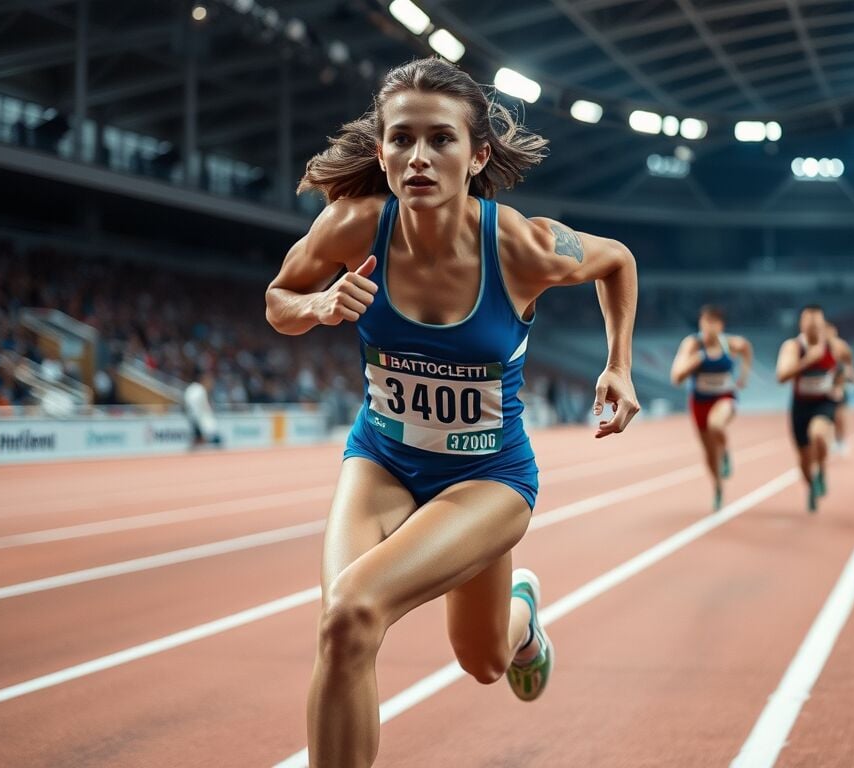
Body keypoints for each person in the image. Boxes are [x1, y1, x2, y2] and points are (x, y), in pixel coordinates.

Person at [264, 57, 639, 768]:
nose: (419, 158)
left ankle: (522, 620)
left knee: (486, 660)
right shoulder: (350, 226)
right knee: (347, 619)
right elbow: (278, 299)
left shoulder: (521, 247)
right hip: (381, 459)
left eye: (441, 140)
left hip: (487, 478)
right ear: (380, 151)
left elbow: (617, 259)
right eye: (401, 140)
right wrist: (315, 306)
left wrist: (618, 363)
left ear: (477, 156)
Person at [669, 304, 751, 511]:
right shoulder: (692, 345)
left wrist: (743, 375)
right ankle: (717, 487)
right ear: (700, 323)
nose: (709, 327)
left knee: (716, 425)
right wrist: (695, 361)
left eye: (713, 322)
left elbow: (746, 349)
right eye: (705, 322)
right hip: (699, 402)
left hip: (725, 398)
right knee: (708, 453)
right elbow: (676, 377)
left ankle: (725, 453)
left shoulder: (731, 344)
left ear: (721, 325)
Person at [775, 305, 849, 512]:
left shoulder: (834, 346)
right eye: (809, 323)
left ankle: (822, 471)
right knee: (804, 461)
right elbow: (781, 376)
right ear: (802, 325)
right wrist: (808, 360)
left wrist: (838, 386)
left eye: (817, 323)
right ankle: (811, 486)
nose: (814, 327)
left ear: (822, 325)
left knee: (818, 434)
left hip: (824, 402)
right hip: (800, 406)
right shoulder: (792, 347)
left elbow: (844, 367)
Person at [825, 322, 854, 455]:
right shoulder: (818, 348)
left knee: (839, 417)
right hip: (824, 388)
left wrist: (851, 376)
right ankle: (828, 440)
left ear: (834, 332)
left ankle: (841, 441)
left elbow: (849, 365)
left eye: (829, 331)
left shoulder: (842, 347)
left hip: (840, 387)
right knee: (825, 417)